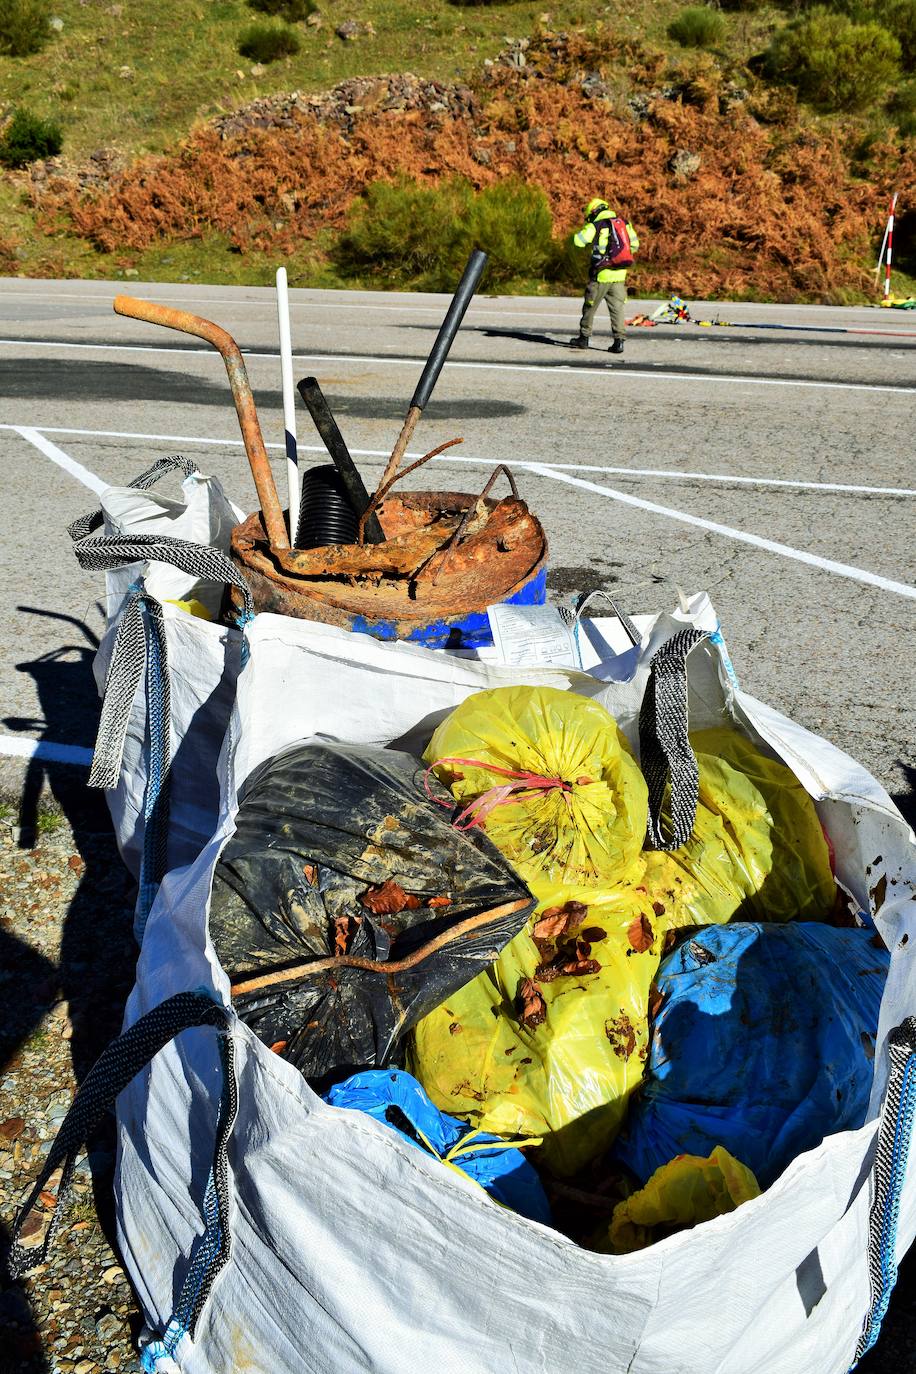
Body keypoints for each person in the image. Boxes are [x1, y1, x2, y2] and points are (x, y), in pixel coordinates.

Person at [568, 198, 640, 354]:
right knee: (618, 309)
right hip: (620, 275)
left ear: (593, 212)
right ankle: (619, 342)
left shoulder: (596, 225)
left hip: (601, 275)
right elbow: (635, 245)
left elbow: (578, 241)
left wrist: (586, 228)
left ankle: (584, 338)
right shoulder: (624, 223)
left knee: (590, 307)